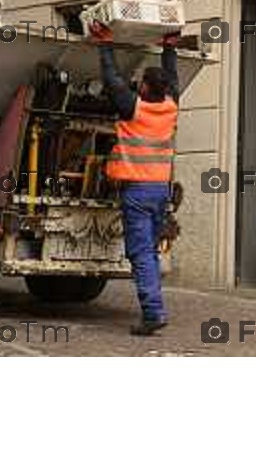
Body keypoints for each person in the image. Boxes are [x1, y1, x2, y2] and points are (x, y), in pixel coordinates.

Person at [89, 20, 179, 336]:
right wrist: (169, 46)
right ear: (165, 89)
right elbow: (173, 78)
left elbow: (111, 79)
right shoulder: (171, 107)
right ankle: (154, 307)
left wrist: (105, 41)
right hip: (159, 192)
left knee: (140, 252)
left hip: (137, 194)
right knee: (150, 251)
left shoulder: (133, 108)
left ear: (142, 87)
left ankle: (153, 313)